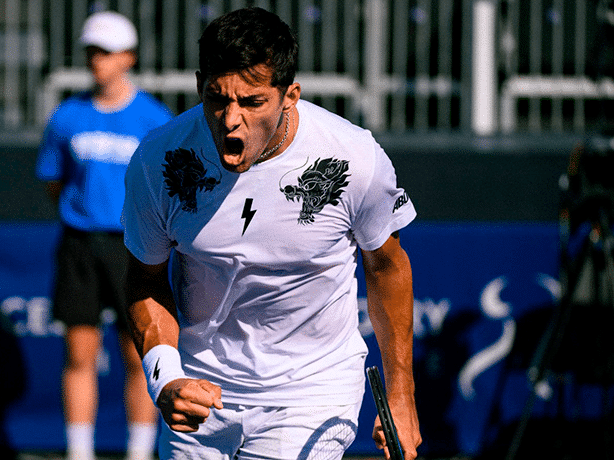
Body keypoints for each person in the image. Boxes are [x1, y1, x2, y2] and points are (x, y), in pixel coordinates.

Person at [122, 7, 422, 460]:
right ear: (199, 84)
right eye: (217, 98)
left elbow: (387, 267)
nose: (230, 120)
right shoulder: (157, 160)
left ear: (290, 95)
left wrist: (402, 394)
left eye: (252, 102)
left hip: (312, 393)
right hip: (202, 392)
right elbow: (144, 279)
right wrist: (165, 376)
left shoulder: (355, 157)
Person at [35, 10, 172, 460]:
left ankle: (138, 451)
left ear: (128, 57)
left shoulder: (154, 118)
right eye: (92, 51)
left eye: (107, 52)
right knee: (79, 354)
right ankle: (79, 452)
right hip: (80, 246)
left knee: (141, 356)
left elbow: (166, 186)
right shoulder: (66, 117)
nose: (98, 60)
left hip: (136, 248)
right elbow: (55, 180)